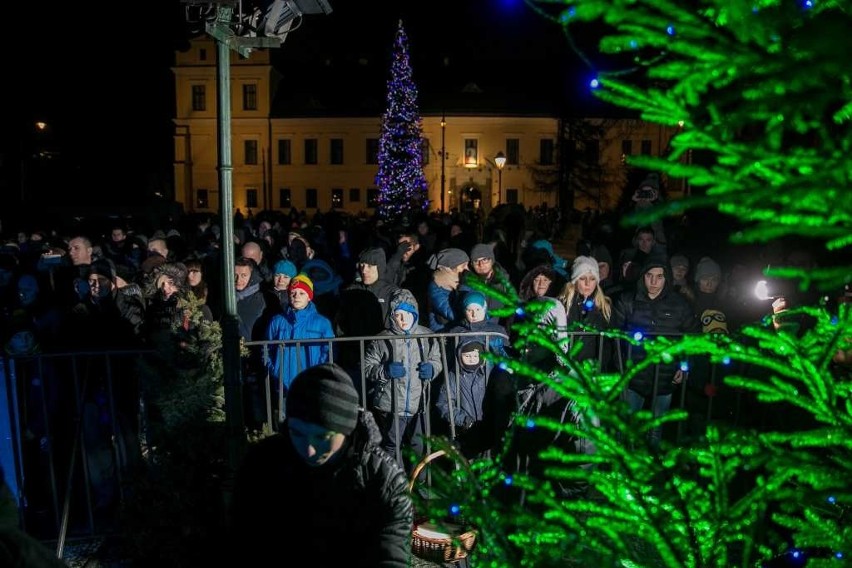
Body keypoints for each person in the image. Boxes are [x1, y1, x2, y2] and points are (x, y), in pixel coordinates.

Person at [231, 363, 414, 567]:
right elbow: (242, 539)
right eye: (297, 433)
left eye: (322, 437)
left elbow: (391, 557)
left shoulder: (385, 480)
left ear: (347, 430)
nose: (309, 449)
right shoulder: (263, 463)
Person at [611, 255, 699, 448]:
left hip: (665, 376)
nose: (654, 281)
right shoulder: (627, 300)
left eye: (659, 276)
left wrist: (685, 366)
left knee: (655, 430)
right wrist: (621, 370)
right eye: (649, 275)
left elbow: (693, 338)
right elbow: (614, 337)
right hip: (634, 376)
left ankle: (651, 466)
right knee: (625, 428)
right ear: (642, 276)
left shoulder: (680, 304)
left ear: (666, 278)